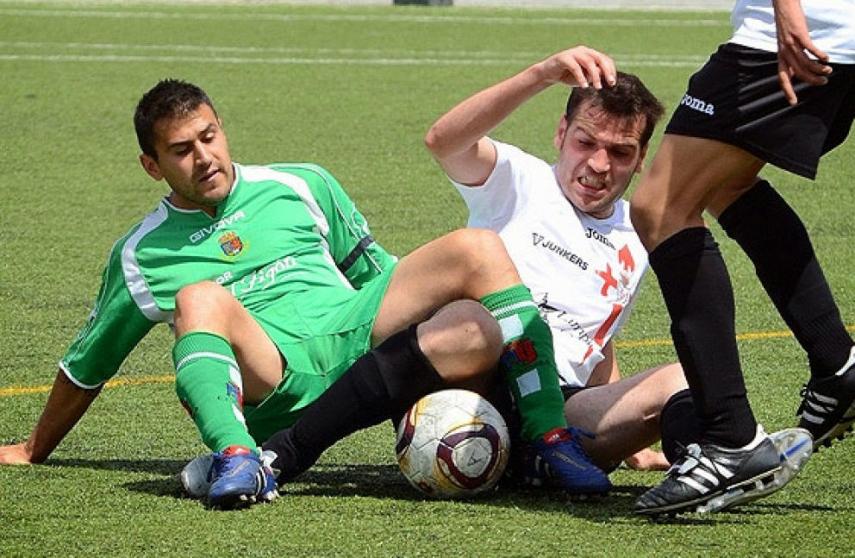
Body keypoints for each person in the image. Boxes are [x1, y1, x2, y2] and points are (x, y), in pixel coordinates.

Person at [0, 79, 613, 509]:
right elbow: (87, 365)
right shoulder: (142, 253)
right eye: (182, 151)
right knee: (197, 298)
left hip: (353, 328)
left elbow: (376, 271)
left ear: (222, 128)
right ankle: (240, 455)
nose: (204, 157)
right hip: (275, 371)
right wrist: (34, 448)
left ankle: (549, 437)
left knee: (475, 247)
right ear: (152, 165)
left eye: (209, 136)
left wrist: (438, 338)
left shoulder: (301, 183)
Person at [423, 45, 814, 508]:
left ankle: (704, 462)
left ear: (643, 156)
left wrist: (632, 442)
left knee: (686, 377)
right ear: (561, 133)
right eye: (585, 143)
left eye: (620, 151)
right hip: (477, 395)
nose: (599, 165)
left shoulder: (639, 228)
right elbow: (442, 141)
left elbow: (593, 340)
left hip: (565, 417)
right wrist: (542, 74)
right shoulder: (516, 179)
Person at [629, 0, 855, 516]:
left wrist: (787, 11)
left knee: (661, 209)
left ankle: (730, 440)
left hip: (799, 35)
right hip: (838, 37)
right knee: (725, 183)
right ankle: (838, 363)